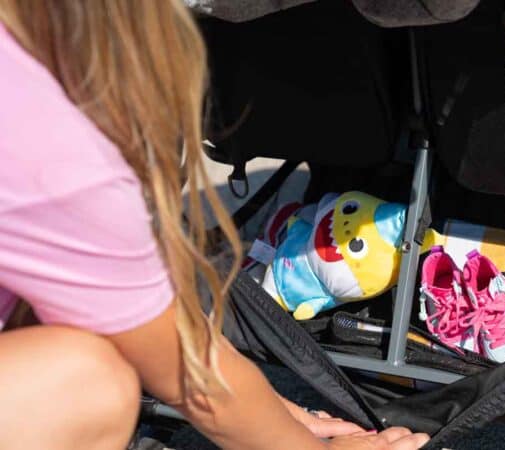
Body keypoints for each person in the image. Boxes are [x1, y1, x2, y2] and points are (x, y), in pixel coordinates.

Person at [0, 1, 429, 449]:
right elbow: (192, 373)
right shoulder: (59, 157)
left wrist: (264, 408)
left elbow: (158, 328)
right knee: (89, 386)